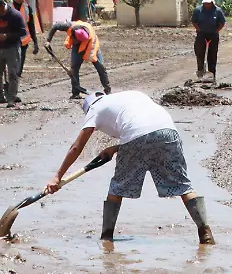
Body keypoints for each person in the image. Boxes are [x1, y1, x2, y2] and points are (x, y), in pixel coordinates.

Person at [45, 91, 215, 245]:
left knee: (117, 188)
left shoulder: (94, 109)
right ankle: (205, 233)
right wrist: (117, 148)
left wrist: (57, 177)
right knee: (182, 185)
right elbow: (146, 129)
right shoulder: (131, 96)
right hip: (169, 131)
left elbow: (77, 147)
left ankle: (106, 238)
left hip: (136, 136)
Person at [48, 19, 112, 98]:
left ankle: (107, 90)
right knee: (74, 68)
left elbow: (91, 56)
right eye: (76, 40)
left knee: (101, 67)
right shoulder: (69, 26)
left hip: (90, 46)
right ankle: (76, 93)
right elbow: (55, 26)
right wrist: (48, 40)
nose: (76, 42)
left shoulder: (91, 40)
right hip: (77, 47)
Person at [0, 0, 27, 107]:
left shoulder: (15, 15)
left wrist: (7, 36)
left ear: (3, 6)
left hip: (12, 47)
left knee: (13, 73)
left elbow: (22, 32)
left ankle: (11, 98)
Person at [192, 0, 226, 81]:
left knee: (212, 55)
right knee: (200, 54)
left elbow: (222, 23)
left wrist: (216, 31)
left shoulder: (218, 11)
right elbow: (194, 21)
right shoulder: (198, 10)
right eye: (205, 3)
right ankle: (201, 73)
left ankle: (212, 75)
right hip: (201, 35)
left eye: (209, 3)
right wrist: (199, 30)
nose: (207, 4)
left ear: (212, 2)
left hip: (213, 36)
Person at [10, 0, 40, 77]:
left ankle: (17, 76)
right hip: (10, 39)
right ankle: (12, 77)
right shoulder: (8, 8)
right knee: (12, 60)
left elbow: (31, 26)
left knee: (20, 61)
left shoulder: (28, 9)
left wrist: (35, 42)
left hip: (23, 40)